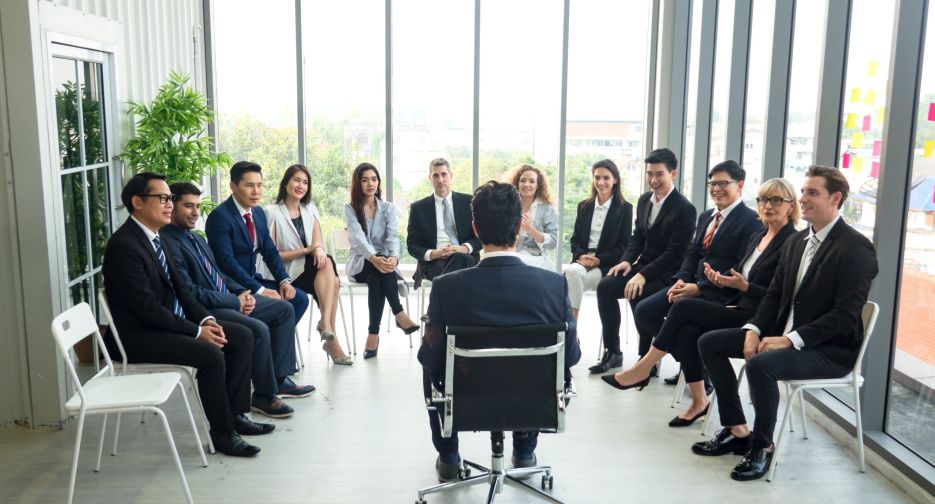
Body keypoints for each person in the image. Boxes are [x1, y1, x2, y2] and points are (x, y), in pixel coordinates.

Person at [693, 165, 878, 481]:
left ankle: (762, 446)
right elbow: (774, 297)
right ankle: (737, 429)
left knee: (761, 365)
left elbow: (844, 317)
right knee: (709, 342)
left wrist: (791, 339)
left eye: (811, 193)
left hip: (828, 350)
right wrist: (753, 329)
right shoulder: (798, 241)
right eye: (803, 191)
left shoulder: (856, 248)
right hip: (780, 335)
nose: (802, 198)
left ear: (836, 198)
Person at [418, 181, 582, 483]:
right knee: (536, 368)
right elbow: (571, 355)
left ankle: (450, 458)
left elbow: (430, 358)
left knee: (431, 368)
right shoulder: (553, 285)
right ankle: (523, 450)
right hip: (534, 400)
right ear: (520, 227)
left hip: (466, 400)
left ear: (475, 230)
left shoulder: (446, 287)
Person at [602, 178, 799, 429]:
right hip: (738, 305)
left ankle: (644, 366)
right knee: (686, 331)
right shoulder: (759, 235)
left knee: (683, 308)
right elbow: (724, 267)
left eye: (776, 200)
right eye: (763, 199)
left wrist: (742, 287)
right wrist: (723, 280)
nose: (767, 205)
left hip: (760, 319)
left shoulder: (791, 241)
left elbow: (780, 295)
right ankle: (699, 401)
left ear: (790, 206)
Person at [102, 172, 269, 457]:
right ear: (137, 202)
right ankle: (222, 434)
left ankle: (237, 415)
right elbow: (147, 309)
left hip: (163, 323)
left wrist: (206, 320)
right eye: (163, 198)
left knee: (241, 335)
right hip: (136, 336)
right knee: (210, 354)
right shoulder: (124, 246)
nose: (169, 204)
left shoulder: (158, 237)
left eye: (170, 198)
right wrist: (195, 332)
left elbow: (182, 290)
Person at [162, 182, 303, 419]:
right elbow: (190, 291)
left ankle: (278, 379)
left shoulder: (195, 236)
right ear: (171, 206)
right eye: (188, 206)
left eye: (197, 206)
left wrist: (243, 293)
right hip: (206, 309)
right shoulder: (169, 242)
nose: (196, 212)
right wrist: (234, 301)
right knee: (257, 330)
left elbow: (217, 273)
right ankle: (264, 396)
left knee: (284, 308)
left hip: (228, 297)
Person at [624, 160, 762, 381]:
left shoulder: (751, 221)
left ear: (740, 184)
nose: (716, 189)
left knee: (685, 328)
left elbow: (741, 266)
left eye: (723, 183)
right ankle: (695, 365)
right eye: (712, 183)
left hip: (721, 293)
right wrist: (681, 279)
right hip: (690, 284)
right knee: (644, 310)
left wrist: (699, 288)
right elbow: (692, 253)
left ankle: (692, 370)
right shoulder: (707, 216)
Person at [205, 161, 314, 398]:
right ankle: (277, 379)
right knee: (283, 308)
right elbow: (226, 263)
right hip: (232, 287)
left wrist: (284, 280)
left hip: (253, 278)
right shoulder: (220, 218)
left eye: (260, 186)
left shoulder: (257, 213)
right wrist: (260, 290)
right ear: (233, 186)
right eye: (249, 186)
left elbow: (270, 251)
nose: (256, 191)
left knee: (300, 299)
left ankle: (269, 363)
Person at [590, 148, 696, 374]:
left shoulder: (685, 208)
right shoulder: (644, 200)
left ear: (673, 174)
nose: (653, 180)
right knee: (606, 286)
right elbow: (637, 236)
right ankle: (614, 352)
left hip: (669, 272)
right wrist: (627, 261)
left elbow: (675, 253)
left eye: (659, 174)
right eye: (649, 174)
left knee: (639, 292)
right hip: (644, 266)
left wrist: (642, 275)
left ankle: (654, 359)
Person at [263, 164, 351, 365]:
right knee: (334, 282)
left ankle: (326, 325)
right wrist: (307, 250)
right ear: (286, 183)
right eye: (296, 180)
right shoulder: (272, 212)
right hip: (287, 273)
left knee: (327, 262)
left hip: (313, 271)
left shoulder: (310, 209)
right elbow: (273, 255)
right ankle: (329, 333)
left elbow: (318, 244)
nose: (300, 185)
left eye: (305, 182)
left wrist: (318, 249)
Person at [343, 162, 419, 359]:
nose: (370, 184)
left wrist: (393, 257)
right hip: (361, 263)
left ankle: (372, 335)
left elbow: (393, 236)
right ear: (358, 183)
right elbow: (358, 240)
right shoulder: (350, 208)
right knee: (379, 267)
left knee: (378, 277)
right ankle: (399, 313)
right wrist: (374, 258)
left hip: (383, 265)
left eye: (374, 179)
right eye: (365, 180)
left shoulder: (388, 208)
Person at [566, 159, 633, 321]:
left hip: (605, 266)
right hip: (582, 262)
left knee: (568, 281)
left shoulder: (625, 208)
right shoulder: (584, 206)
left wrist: (598, 260)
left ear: (615, 180)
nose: (600, 182)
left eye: (606, 178)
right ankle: (572, 330)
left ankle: (570, 328)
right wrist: (581, 256)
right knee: (572, 272)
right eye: (597, 177)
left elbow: (623, 246)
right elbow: (575, 240)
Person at [407, 157, 481, 288]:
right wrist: (434, 253)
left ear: (451, 175)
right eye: (436, 175)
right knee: (461, 272)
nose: (440, 180)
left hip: (465, 256)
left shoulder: (469, 202)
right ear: (430, 178)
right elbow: (412, 245)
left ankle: (439, 303)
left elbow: (481, 237)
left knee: (459, 258)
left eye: (444, 174)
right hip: (435, 261)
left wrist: (463, 248)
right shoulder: (418, 208)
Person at [505, 163, 559, 271]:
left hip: (536, 258)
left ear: (538, 185)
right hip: (511, 253)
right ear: (517, 183)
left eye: (532, 181)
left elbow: (552, 243)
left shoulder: (547, 208)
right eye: (523, 180)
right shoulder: (508, 206)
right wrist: (518, 231)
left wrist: (530, 229)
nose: (526, 184)